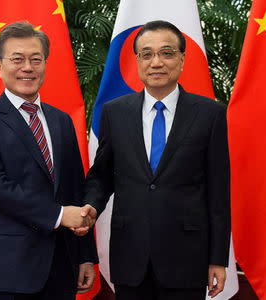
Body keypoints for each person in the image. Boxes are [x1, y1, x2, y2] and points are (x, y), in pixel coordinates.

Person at [78, 20, 231, 300]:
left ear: (182, 59)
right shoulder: (115, 113)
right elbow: (101, 176)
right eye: (146, 54)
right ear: (137, 61)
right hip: (130, 257)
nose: (156, 62)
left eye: (167, 53)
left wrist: (218, 259)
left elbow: (219, 193)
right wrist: (90, 205)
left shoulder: (210, 115)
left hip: (186, 258)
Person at [0, 21, 98, 300]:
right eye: (17, 59)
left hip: (62, 268)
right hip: (7, 272)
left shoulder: (61, 120)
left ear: (45, 64)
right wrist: (59, 216)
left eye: (36, 59)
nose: (28, 67)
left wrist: (85, 256)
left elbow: (74, 188)